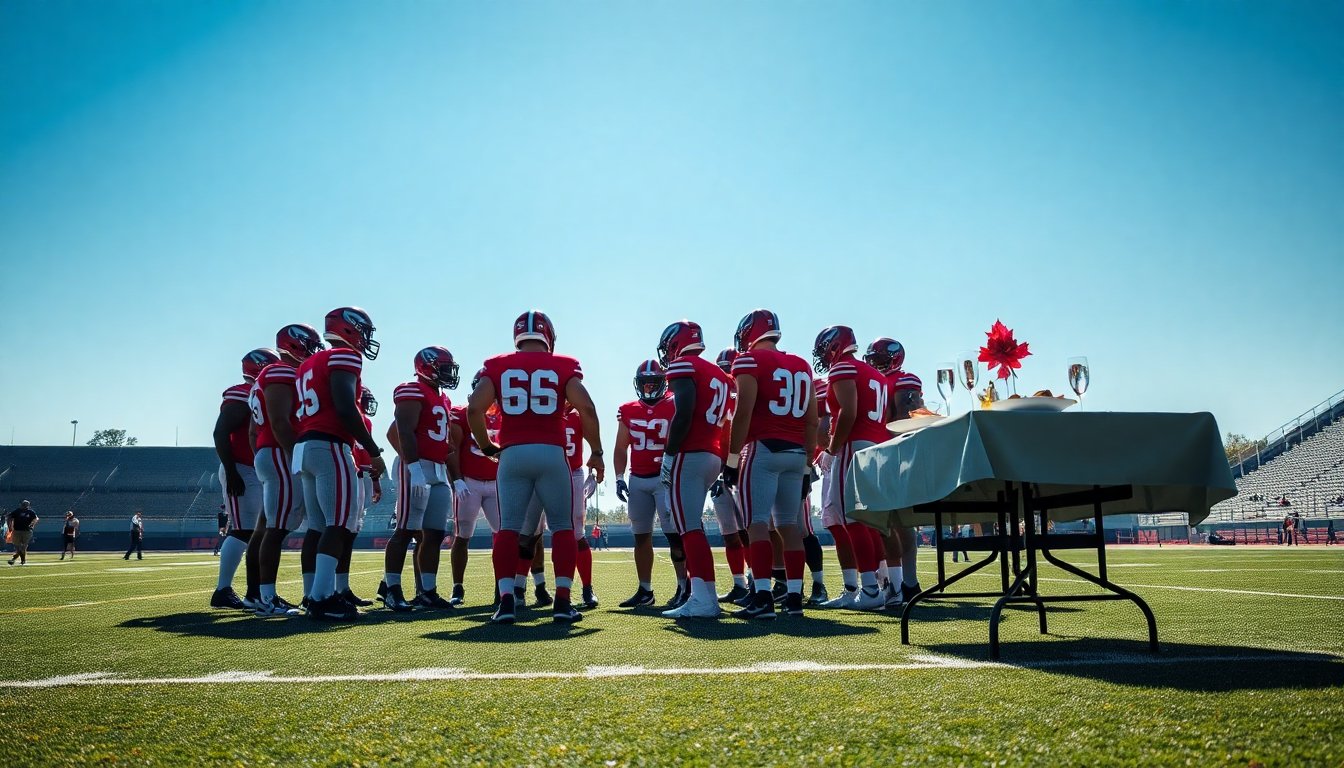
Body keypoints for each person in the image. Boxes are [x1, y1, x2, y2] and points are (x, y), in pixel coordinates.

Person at [467, 310, 603, 625]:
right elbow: (587, 407)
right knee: (563, 528)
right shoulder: (563, 365)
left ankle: (506, 602)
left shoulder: (498, 365)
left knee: (508, 530)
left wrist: (488, 446)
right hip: (552, 454)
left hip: (512, 454)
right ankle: (563, 601)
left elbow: (475, 407)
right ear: (549, 336)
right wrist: (596, 452)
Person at [295, 306, 388, 621]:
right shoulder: (345, 356)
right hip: (330, 445)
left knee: (318, 527)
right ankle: (322, 598)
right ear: (352, 328)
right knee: (339, 524)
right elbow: (346, 407)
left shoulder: (309, 363)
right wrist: (374, 451)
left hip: (306, 445)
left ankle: (313, 594)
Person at [725, 309, 819, 620]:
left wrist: (733, 458)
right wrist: (807, 464)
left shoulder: (750, 361)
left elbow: (743, 413)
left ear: (750, 331)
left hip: (763, 449)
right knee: (789, 526)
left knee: (757, 524)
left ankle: (763, 596)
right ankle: (794, 597)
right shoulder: (802, 365)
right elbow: (811, 420)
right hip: (795, 453)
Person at [658, 320, 733, 619]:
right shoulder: (721, 375)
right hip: (712, 454)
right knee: (693, 527)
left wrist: (669, 454)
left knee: (688, 528)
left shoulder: (685, 366)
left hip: (690, 454)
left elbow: (684, 413)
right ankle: (705, 593)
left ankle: (703, 599)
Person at [249, 322, 324, 618]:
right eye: (310, 344)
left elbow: (255, 432)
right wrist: (295, 455)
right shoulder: (281, 372)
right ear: (294, 344)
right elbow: (280, 422)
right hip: (281, 451)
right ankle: (267, 598)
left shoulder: (266, 377)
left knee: (274, 527)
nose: (315, 350)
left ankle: (262, 594)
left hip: (272, 452)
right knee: (276, 529)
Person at [813, 326, 890, 611]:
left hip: (854, 445)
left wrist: (832, 448)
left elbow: (848, 411)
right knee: (865, 518)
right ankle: (882, 586)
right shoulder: (875, 374)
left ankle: (869, 590)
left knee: (851, 519)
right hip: (876, 445)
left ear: (833, 346)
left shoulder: (843, 368)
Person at [380, 346, 459, 612]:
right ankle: (391, 589)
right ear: (427, 366)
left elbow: (441, 441)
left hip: (437, 469)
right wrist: (411, 465)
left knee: (434, 534)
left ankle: (427, 591)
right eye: (444, 367)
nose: (448, 373)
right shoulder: (412, 389)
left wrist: (454, 477)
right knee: (404, 530)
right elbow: (398, 431)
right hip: (417, 467)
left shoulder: (443, 398)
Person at [211, 347, 280, 609]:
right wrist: (231, 471)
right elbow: (220, 433)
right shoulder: (241, 394)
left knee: (255, 532)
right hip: (241, 468)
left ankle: (254, 591)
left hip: (252, 470)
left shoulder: (256, 394)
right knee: (245, 531)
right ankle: (224, 590)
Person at [613, 359, 681, 608]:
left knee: (675, 536)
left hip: (665, 478)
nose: (650, 387)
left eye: (654, 382)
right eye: (645, 383)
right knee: (641, 537)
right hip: (638, 479)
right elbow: (621, 447)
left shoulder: (675, 403)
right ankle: (645, 590)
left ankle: (684, 587)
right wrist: (619, 478)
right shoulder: (628, 409)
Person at [448, 369, 502, 607]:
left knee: (503, 536)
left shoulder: (507, 415)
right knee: (463, 535)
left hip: (498, 482)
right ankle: (457, 586)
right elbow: (453, 448)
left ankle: (503, 587)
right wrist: (457, 479)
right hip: (469, 482)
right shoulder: (461, 413)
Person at [6, 501, 38, 566]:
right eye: (24, 504)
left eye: (26, 504)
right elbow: (9, 517)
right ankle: (21, 559)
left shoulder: (31, 512)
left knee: (23, 546)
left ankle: (16, 559)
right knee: (18, 547)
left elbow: (36, 518)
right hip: (17, 531)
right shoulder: (17, 511)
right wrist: (9, 527)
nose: (24, 506)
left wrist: (32, 524)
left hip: (27, 531)